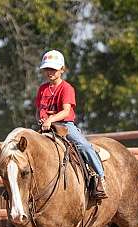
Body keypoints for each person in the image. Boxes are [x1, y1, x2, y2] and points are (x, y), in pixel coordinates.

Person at [35, 49, 107, 199]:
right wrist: (41, 119)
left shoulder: (67, 88)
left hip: (65, 126)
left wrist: (50, 119)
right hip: (46, 127)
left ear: (62, 69)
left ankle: (100, 178)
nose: (50, 72)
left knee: (84, 146)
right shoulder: (42, 89)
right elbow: (38, 110)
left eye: (53, 69)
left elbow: (66, 111)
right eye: (47, 69)